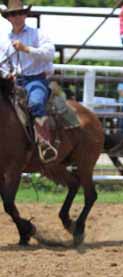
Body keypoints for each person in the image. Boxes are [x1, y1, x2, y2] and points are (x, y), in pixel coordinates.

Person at [1, 0, 57, 163]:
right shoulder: (4, 39)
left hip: (36, 79)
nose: (16, 17)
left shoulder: (37, 34)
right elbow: (3, 63)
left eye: (19, 13)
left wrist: (26, 49)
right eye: (13, 14)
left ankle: (44, 143)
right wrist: (6, 74)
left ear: (25, 15)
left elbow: (49, 53)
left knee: (35, 103)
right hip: (13, 81)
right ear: (8, 18)